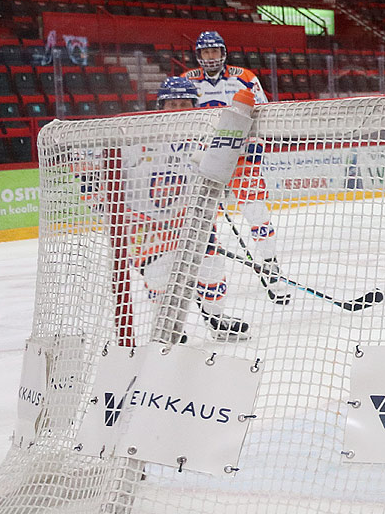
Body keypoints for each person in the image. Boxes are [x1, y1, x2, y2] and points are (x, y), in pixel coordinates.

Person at [91, 76, 248, 339]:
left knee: (212, 266)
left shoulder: (202, 138)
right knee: (160, 274)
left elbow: (216, 179)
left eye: (184, 103)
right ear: (160, 106)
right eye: (172, 103)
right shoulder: (137, 136)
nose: (178, 109)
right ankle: (168, 325)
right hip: (144, 223)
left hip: (188, 220)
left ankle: (216, 318)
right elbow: (103, 168)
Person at [182, 31, 280, 274]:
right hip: (204, 159)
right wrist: (190, 150)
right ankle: (206, 274)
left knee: (257, 211)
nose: (211, 56)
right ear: (199, 55)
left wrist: (257, 145)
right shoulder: (186, 81)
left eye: (214, 51)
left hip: (241, 156)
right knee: (203, 220)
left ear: (223, 53)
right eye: (206, 52)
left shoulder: (245, 77)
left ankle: (270, 261)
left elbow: (263, 114)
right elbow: (179, 121)